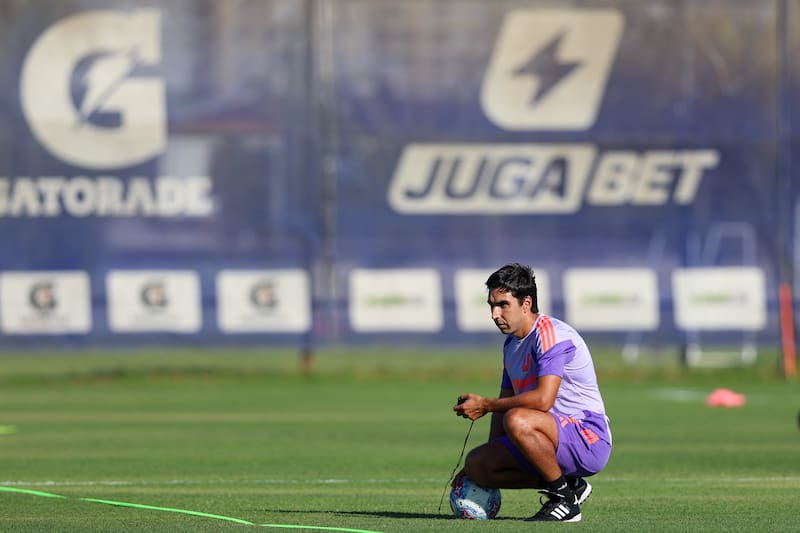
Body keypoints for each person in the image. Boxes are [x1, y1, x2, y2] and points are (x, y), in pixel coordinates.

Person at [453, 263, 612, 522]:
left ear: (526, 303)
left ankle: (565, 502)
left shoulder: (551, 335)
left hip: (587, 438)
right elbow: (505, 399)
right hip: (543, 436)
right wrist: (492, 455)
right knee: (478, 464)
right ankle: (570, 485)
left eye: (503, 304)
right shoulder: (511, 345)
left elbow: (542, 400)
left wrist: (485, 405)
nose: (494, 314)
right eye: (491, 305)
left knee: (517, 418)